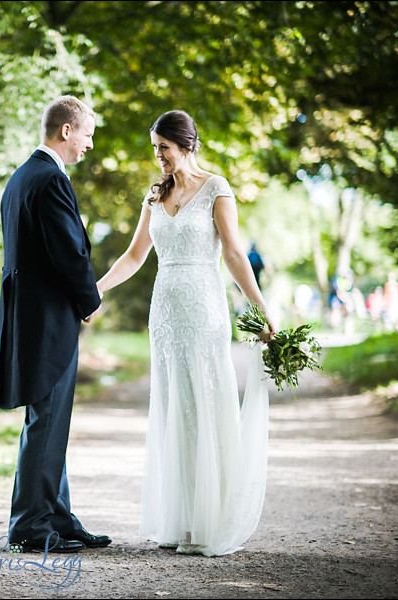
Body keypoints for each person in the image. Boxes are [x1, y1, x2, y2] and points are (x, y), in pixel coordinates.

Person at [95, 110, 275, 556]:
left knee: (202, 404)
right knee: (173, 405)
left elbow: (234, 255)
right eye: (155, 148)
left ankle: (206, 521)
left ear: (186, 145)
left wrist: (261, 308)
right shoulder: (155, 196)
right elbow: (136, 256)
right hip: (165, 313)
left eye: (165, 148)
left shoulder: (217, 189)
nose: (159, 157)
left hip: (204, 310)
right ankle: (179, 519)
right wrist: (95, 291)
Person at [0, 96, 109, 554]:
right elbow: (67, 252)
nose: (89, 145)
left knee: (49, 420)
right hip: (49, 320)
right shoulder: (49, 180)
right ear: (66, 131)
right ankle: (30, 528)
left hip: (30, 318)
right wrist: (89, 300)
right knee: (45, 420)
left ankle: (57, 517)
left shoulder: (21, 178)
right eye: (87, 134)